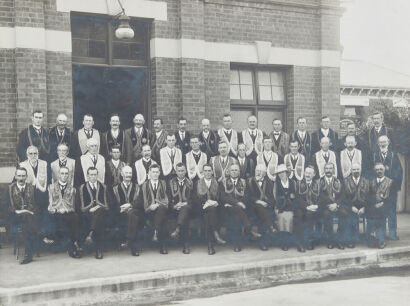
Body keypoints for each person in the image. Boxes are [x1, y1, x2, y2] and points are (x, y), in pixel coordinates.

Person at [7, 167, 53, 264]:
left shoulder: (32, 188)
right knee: (27, 218)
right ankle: (42, 236)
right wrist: (19, 211)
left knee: (27, 224)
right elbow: (5, 206)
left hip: (30, 218)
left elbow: (38, 205)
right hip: (16, 217)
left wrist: (33, 211)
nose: (21, 178)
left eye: (23, 176)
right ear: (15, 176)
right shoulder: (10, 188)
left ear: (26, 177)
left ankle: (28, 255)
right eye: (19, 175)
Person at [219, 164, 261, 252]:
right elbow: (223, 197)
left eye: (236, 170)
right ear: (229, 172)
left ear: (239, 172)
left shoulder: (243, 182)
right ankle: (248, 228)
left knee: (237, 216)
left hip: (240, 209)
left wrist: (239, 203)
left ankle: (237, 245)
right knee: (237, 211)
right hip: (228, 208)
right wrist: (237, 203)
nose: (234, 172)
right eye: (232, 170)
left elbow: (247, 196)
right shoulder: (224, 182)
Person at [372, 135, 402, 240]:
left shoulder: (394, 155)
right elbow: (371, 172)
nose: (383, 144)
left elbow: (399, 172)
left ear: (388, 142)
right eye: (380, 142)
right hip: (378, 187)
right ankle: (381, 233)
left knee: (391, 212)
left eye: (384, 142)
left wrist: (396, 187)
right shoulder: (375, 156)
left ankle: (393, 233)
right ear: (378, 144)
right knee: (379, 210)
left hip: (391, 188)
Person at [48, 166, 81, 258]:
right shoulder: (51, 187)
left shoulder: (73, 189)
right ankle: (72, 247)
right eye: (62, 173)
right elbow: (50, 205)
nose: (64, 175)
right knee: (61, 221)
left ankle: (70, 244)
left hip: (68, 212)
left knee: (75, 217)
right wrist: (57, 210)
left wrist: (66, 210)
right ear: (58, 174)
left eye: (66, 173)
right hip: (55, 213)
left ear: (69, 175)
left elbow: (73, 206)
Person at [111, 166, 143, 256]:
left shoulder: (137, 187)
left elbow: (140, 201)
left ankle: (130, 242)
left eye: (130, 173)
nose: (128, 175)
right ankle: (132, 244)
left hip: (135, 212)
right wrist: (121, 208)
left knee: (132, 214)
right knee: (131, 216)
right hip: (120, 213)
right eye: (126, 173)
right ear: (122, 174)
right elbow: (112, 203)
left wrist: (130, 205)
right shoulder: (115, 188)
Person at [78, 167, 108, 259]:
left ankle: (91, 236)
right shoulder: (82, 187)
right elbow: (81, 206)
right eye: (91, 174)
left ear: (97, 175)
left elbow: (106, 204)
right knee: (93, 219)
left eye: (95, 174)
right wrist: (89, 209)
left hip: (101, 212)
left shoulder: (103, 186)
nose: (93, 177)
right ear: (87, 176)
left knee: (99, 214)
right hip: (87, 213)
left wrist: (98, 206)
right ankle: (97, 248)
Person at [196, 164, 226, 255]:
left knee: (209, 215)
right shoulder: (198, 183)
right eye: (206, 171)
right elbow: (196, 198)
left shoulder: (217, 182)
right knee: (209, 213)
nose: (208, 173)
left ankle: (210, 246)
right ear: (203, 172)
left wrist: (216, 202)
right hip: (202, 208)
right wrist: (207, 202)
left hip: (215, 209)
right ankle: (215, 233)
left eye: (209, 171)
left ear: (212, 172)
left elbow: (221, 198)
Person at [274, 164, 304, 252]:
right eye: (279, 173)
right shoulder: (276, 184)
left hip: (292, 206)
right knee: (283, 217)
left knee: (297, 217)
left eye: (283, 172)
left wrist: (291, 199)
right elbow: (275, 197)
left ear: (287, 173)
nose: (281, 174)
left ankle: (299, 243)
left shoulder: (292, 182)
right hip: (281, 207)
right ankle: (284, 243)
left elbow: (296, 196)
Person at [247, 164, 277, 251]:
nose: (258, 173)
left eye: (261, 171)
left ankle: (262, 242)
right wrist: (258, 201)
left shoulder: (269, 183)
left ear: (264, 173)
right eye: (257, 170)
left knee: (263, 214)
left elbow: (272, 198)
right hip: (253, 208)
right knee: (261, 210)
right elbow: (248, 196)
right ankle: (271, 227)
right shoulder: (250, 181)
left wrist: (266, 203)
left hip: (265, 208)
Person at [141, 164, 169, 254]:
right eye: (153, 172)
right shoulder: (144, 185)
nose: (155, 174)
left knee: (161, 210)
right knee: (162, 218)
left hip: (162, 209)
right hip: (149, 212)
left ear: (159, 173)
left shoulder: (164, 183)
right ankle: (162, 245)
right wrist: (150, 207)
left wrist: (158, 204)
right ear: (149, 173)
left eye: (157, 172)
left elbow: (166, 199)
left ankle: (156, 232)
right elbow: (143, 201)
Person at [319, 163, 346, 250]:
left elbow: (342, 195)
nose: (328, 170)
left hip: (336, 205)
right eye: (326, 168)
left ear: (333, 170)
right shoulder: (319, 181)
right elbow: (319, 195)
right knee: (326, 215)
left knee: (344, 214)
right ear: (324, 170)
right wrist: (329, 204)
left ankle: (339, 239)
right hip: (325, 206)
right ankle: (330, 240)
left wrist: (336, 204)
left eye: (330, 168)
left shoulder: (338, 181)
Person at [342, 163, 369, 248]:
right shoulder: (345, 181)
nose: (356, 171)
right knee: (349, 216)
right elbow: (344, 197)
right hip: (351, 205)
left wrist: (364, 207)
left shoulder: (366, 181)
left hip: (363, 206)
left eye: (357, 169)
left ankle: (368, 238)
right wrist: (351, 207)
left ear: (360, 170)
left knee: (373, 214)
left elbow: (369, 196)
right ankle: (351, 239)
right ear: (351, 171)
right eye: (354, 169)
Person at [168, 163, 193, 254]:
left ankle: (178, 229)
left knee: (185, 210)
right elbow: (168, 197)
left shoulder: (190, 182)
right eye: (179, 171)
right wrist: (174, 206)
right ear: (176, 172)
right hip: (174, 209)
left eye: (182, 170)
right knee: (184, 217)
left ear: (185, 171)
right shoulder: (170, 182)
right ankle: (186, 245)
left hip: (187, 209)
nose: (181, 173)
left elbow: (193, 199)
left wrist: (186, 203)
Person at [367, 163, 394, 249]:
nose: (379, 171)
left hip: (386, 205)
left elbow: (393, 198)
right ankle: (374, 238)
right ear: (375, 171)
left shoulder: (390, 182)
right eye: (377, 170)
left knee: (380, 214)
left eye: (381, 169)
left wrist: (383, 203)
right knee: (372, 212)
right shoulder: (371, 182)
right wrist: (375, 203)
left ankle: (380, 240)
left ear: (384, 170)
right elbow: (369, 196)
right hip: (374, 205)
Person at [296, 166, 320, 251]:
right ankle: (300, 243)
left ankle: (309, 241)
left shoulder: (318, 184)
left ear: (314, 174)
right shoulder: (298, 183)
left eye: (310, 173)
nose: (307, 175)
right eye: (306, 173)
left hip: (314, 208)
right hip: (302, 208)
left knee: (310, 216)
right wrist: (307, 206)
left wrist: (316, 205)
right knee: (299, 216)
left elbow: (322, 197)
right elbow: (298, 198)